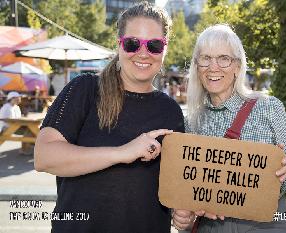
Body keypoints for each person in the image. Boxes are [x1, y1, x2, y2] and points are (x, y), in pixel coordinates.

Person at [34, 2, 184, 233]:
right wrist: (123, 152)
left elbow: (175, 187)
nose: (143, 53)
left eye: (154, 45)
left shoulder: (171, 111)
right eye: (132, 43)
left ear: (165, 48)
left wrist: (185, 213)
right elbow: (44, 157)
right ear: (119, 45)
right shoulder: (84, 89)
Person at [172, 24, 286, 233]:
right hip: (211, 227)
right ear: (197, 66)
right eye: (205, 58)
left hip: (266, 224)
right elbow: (189, 191)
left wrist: (284, 174)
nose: (213, 67)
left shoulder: (269, 107)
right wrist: (183, 216)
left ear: (237, 66)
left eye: (224, 58)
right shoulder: (191, 122)